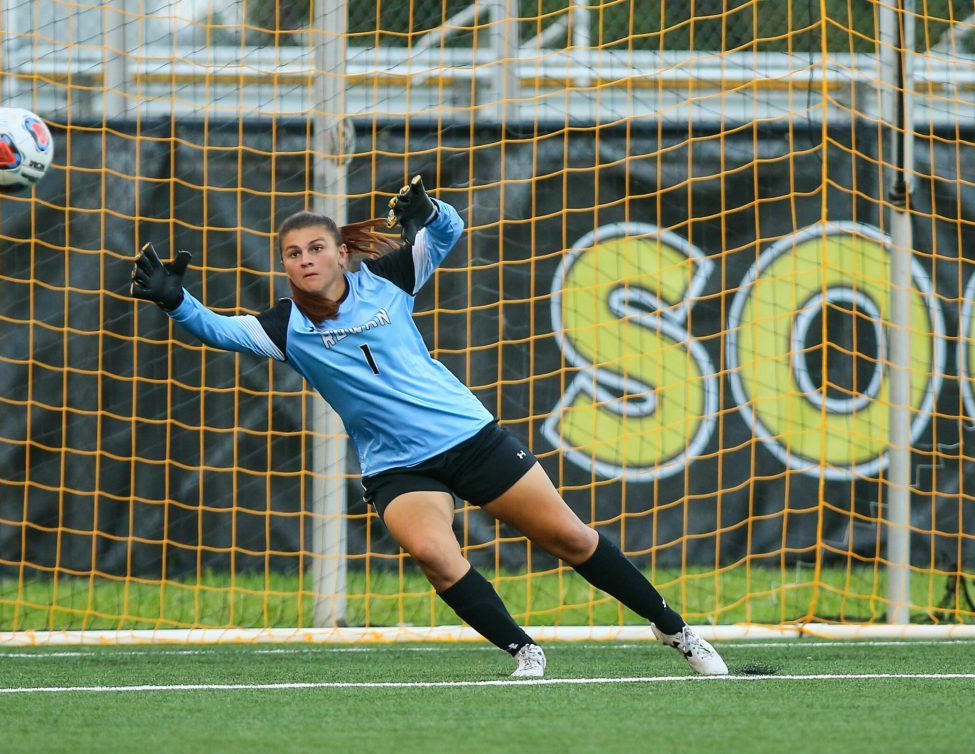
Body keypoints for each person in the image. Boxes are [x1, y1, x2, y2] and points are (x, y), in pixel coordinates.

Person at [129, 176, 728, 678]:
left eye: (317, 248)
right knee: (433, 554)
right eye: (293, 253)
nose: (305, 260)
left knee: (570, 540)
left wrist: (430, 211)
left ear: (341, 254)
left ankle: (676, 631)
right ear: (284, 264)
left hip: (468, 438)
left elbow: (447, 232)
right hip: (397, 465)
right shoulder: (286, 326)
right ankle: (525, 649)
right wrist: (176, 302)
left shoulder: (387, 280)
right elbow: (221, 330)